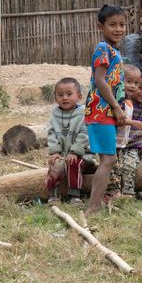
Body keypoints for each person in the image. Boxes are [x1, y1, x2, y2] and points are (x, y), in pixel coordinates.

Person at [84, 4, 128, 217]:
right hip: (101, 110)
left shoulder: (113, 50)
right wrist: (116, 106)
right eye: (113, 25)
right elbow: (100, 81)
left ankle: (95, 205)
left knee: (108, 159)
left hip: (106, 110)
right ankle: (93, 208)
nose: (118, 29)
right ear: (100, 26)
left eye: (122, 24)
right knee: (108, 160)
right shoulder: (103, 48)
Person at [45, 77, 94, 205]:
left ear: (79, 96)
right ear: (55, 98)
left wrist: (75, 152)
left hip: (83, 154)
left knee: (74, 163)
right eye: (60, 95)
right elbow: (52, 133)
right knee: (55, 165)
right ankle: (53, 195)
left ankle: (74, 195)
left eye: (69, 94)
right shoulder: (55, 113)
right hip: (63, 155)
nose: (64, 98)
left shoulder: (84, 112)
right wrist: (55, 152)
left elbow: (85, 134)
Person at [108, 64, 142, 197]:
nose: (133, 86)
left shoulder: (129, 101)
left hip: (121, 142)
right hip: (112, 141)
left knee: (120, 166)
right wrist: (133, 122)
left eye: (136, 83)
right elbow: (116, 118)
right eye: (128, 81)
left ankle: (125, 192)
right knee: (113, 167)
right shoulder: (118, 101)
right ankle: (112, 192)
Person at [119, 70, 142, 196]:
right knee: (113, 167)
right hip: (116, 143)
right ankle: (112, 190)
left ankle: (128, 192)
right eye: (140, 88)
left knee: (129, 165)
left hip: (133, 145)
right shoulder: (123, 104)